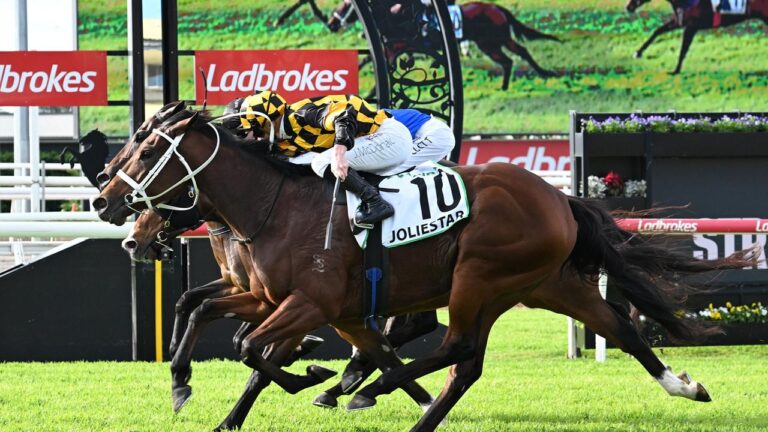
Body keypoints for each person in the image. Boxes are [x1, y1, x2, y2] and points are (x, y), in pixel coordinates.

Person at [238, 91, 412, 226]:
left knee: (322, 162)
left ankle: (375, 203)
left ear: (269, 121)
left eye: (259, 131)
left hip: (389, 137)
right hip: (380, 141)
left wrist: (338, 152)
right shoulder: (287, 138)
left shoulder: (301, 114)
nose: (259, 138)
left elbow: (344, 115)